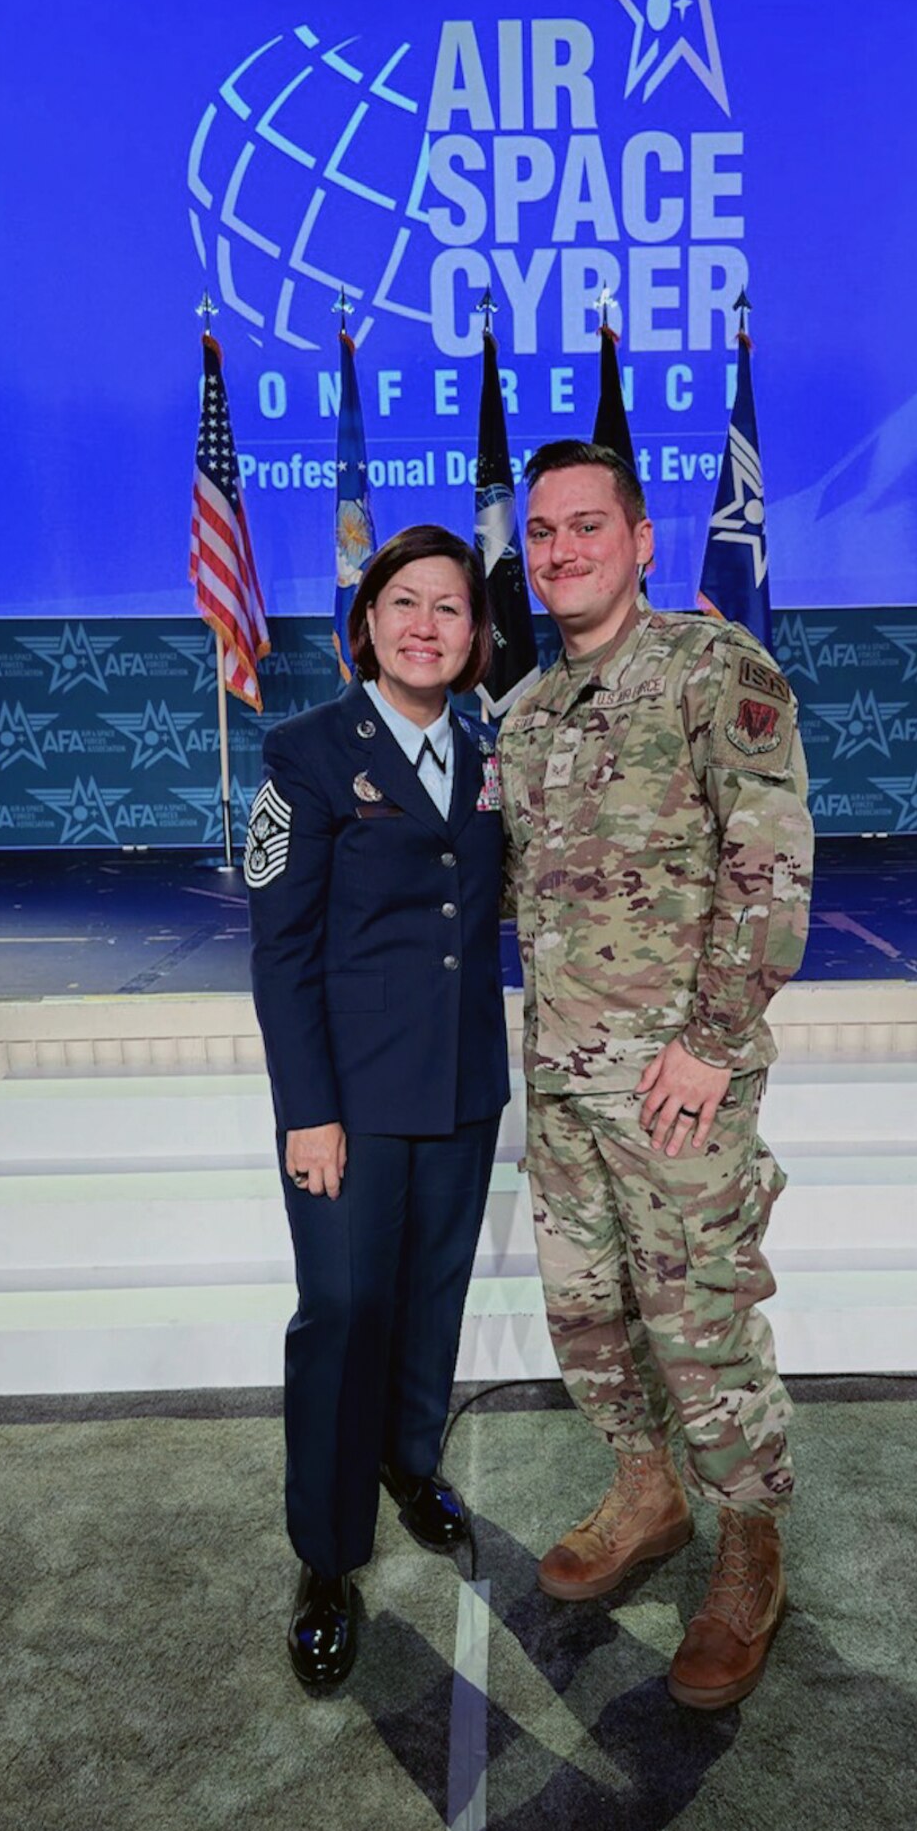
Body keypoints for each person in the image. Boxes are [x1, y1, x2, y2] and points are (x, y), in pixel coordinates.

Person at [498, 440, 814, 1711]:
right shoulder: (522, 714)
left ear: (639, 539)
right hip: (565, 1086)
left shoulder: (712, 669)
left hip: (677, 1081)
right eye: (542, 533)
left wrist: (711, 1041)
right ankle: (646, 1493)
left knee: (700, 1329)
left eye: (587, 525)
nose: (561, 549)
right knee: (588, 1318)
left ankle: (750, 1545)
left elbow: (769, 872)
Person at [246, 523, 508, 1690]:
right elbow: (280, 949)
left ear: (473, 632)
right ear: (367, 622)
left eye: (449, 607)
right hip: (347, 1099)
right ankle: (326, 1553)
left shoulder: (495, 747)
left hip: (460, 1083)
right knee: (345, 1309)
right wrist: (308, 1109)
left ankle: (410, 1462)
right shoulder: (305, 752)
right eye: (405, 602)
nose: (425, 625)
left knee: (430, 1292)